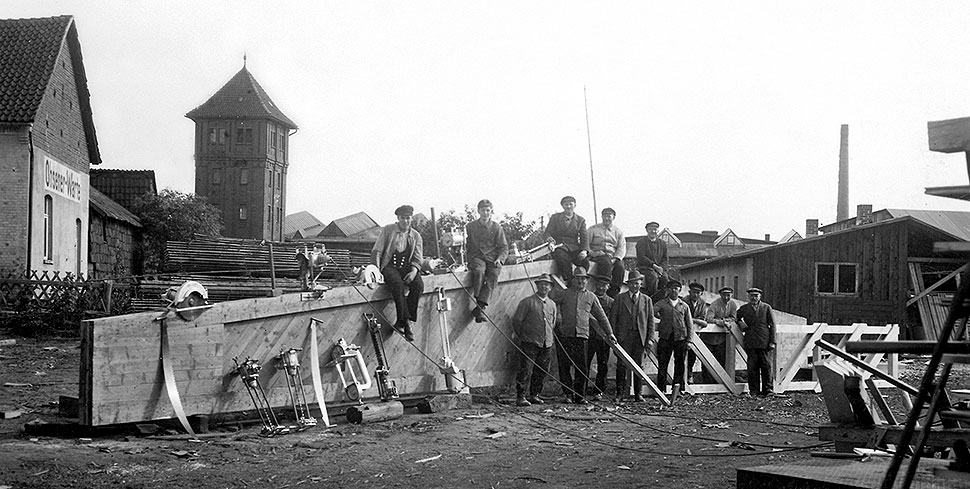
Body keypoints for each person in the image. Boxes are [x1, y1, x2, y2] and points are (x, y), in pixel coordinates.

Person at [552, 267, 616, 404]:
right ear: (573, 280)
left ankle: (579, 396)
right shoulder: (564, 294)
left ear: (587, 281)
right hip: (565, 335)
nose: (580, 281)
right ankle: (568, 394)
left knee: (582, 367)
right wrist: (557, 314)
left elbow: (601, 316)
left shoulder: (591, 297)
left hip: (582, 336)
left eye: (583, 279)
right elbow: (551, 302)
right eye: (577, 278)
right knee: (564, 366)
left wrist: (610, 333)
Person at [370, 205, 424, 342]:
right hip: (389, 266)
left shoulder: (416, 236)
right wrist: (376, 271)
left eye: (408, 218)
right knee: (397, 285)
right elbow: (377, 251)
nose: (405, 221)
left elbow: (418, 258)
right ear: (398, 218)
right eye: (402, 218)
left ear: (411, 218)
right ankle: (406, 323)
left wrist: (413, 272)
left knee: (418, 285)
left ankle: (402, 321)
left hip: (406, 267)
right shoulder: (388, 230)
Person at [511, 273, 560, 407]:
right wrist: (524, 336)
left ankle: (534, 395)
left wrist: (547, 337)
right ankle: (520, 396)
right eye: (541, 284)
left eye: (547, 284)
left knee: (542, 370)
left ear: (550, 288)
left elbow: (553, 322)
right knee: (525, 369)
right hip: (530, 342)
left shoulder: (552, 305)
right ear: (537, 286)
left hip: (547, 343)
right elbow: (517, 321)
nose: (544, 286)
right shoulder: (527, 302)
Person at [609, 270, 655, 401]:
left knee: (638, 366)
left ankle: (638, 394)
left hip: (640, 337)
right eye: (632, 284)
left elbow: (650, 321)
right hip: (623, 338)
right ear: (628, 284)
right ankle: (620, 394)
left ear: (641, 284)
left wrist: (650, 338)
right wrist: (612, 335)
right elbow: (613, 319)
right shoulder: (619, 298)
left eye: (637, 284)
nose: (635, 286)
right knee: (621, 365)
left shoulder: (647, 300)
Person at [465, 199, 509, 323]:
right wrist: (468, 258)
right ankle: (480, 303)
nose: (485, 213)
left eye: (488, 210)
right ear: (478, 211)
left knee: (494, 274)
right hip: (477, 256)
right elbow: (465, 245)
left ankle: (479, 308)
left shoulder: (496, 227)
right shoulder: (471, 226)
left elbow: (504, 247)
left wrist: (500, 259)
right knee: (478, 271)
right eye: (483, 210)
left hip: (492, 257)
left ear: (491, 212)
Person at [654, 280, 692, 398]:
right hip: (665, 338)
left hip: (680, 338)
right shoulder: (662, 303)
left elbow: (689, 324)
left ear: (680, 290)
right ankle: (661, 390)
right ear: (668, 290)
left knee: (680, 364)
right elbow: (652, 311)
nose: (673, 290)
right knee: (663, 363)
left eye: (676, 288)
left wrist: (689, 340)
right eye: (671, 288)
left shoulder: (684, 306)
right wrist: (659, 317)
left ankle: (678, 390)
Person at [737, 287, 776, 396]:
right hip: (751, 339)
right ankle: (754, 391)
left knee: (766, 366)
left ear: (760, 297)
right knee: (752, 366)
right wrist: (741, 324)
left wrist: (772, 341)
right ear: (748, 297)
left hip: (764, 339)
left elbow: (772, 325)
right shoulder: (744, 308)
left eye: (756, 295)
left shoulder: (766, 307)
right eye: (751, 295)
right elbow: (736, 317)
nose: (754, 298)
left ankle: (768, 390)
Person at [544, 195, 589, 281]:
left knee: (585, 261)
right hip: (559, 246)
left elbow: (584, 236)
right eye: (566, 204)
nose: (568, 206)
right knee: (562, 258)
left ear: (575, 205)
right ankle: (569, 281)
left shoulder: (580, 220)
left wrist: (584, 251)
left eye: (570, 204)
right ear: (562, 206)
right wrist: (550, 240)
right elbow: (547, 232)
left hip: (574, 247)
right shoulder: (555, 218)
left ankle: (582, 281)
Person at [586, 274, 614, 400]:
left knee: (603, 365)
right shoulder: (588, 298)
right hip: (588, 336)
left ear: (608, 287)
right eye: (599, 285)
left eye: (604, 285)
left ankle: (598, 391)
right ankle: (582, 389)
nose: (601, 288)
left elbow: (612, 320)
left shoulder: (611, 302)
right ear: (596, 285)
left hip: (603, 338)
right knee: (584, 363)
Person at [587, 207, 626, 298]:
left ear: (614, 217)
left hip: (612, 256)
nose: (606, 218)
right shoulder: (593, 229)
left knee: (620, 266)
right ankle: (601, 289)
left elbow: (621, 248)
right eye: (604, 216)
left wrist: (616, 258)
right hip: (597, 255)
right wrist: (592, 253)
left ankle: (614, 291)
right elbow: (586, 244)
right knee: (606, 262)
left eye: (609, 216)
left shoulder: (618, 232)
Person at [704, 286, 738, 384]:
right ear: (720, 295)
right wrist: (722, 322)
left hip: (722, 339)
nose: (726, 297)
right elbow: (709, 319)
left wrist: (726, 320)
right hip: (709, 339)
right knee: (708, 361)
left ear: (731, 295)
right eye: (724, 295)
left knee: (721, 360)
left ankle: (719, 383)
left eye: (728, 295)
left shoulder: (733, 304)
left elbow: (734, 318)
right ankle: (707, 383)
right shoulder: (714, 304)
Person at [683, 282, 709, 387]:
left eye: (698, 293)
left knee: (692, 355)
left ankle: (689, 374)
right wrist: (694, 320)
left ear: (701, 294)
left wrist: (694, 320)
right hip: (684, 332)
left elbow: (703, 318)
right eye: (694, 292)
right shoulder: (683, 301)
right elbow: (682, 316)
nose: (695, 295)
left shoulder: (702, 303)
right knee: (682, 354)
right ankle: (682, 377)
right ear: (690, 292)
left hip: (696, 333)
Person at [635, 221, 668, 298]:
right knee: (653, 277)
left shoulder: (662, 244)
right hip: (645, 267)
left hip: (659, 269)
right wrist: (654, 266)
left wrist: (662, 269)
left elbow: (665, 259)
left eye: (655, 229)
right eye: (651, 229)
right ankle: (650, 299)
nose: (653, 231)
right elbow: (641, 257)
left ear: (658, 231)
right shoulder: (641, 242)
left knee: (665, 279)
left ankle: (661, 299)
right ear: (647, 230)